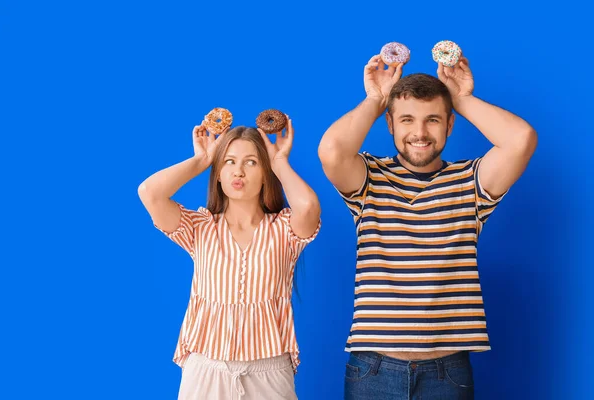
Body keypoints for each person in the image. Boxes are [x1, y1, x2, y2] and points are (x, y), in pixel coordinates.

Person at [318, 53, 537, 399]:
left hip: (446, 374)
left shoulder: (469, 182)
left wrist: (462, 99)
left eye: (433, 120)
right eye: (406, 120)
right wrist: (376, 99)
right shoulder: (369, 178)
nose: (419, 133)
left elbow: (521, 139)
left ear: (449, 125)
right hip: (373, 370)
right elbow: (331, 151)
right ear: (390, 124)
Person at [138, 116, 321, 400]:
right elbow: (150, 193)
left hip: (269, 370)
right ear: (219, 174)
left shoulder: (284, 230)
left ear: (265, 173)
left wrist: (280, 161)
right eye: (229, 162)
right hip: (207, 369)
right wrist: (202, 160)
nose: (239, 172)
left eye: (251, 162)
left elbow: (309, 207)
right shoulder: (199, 227)